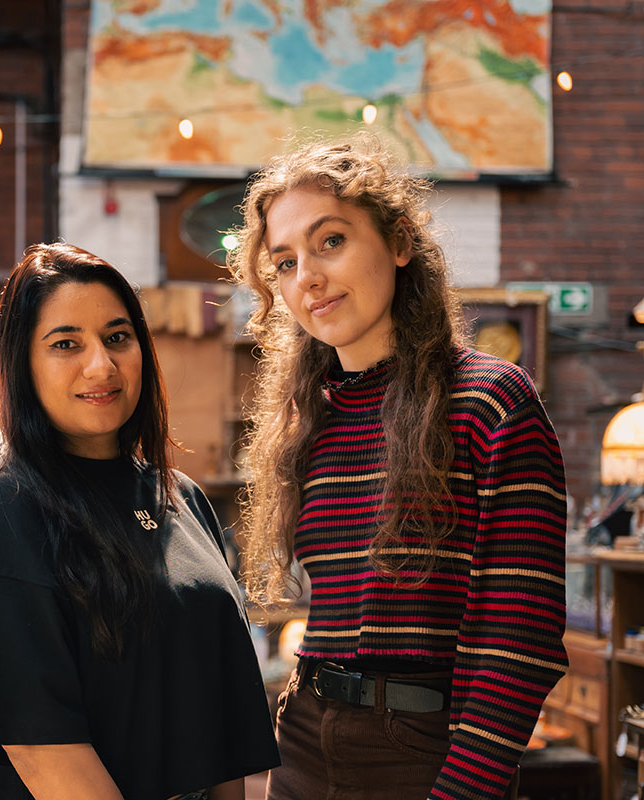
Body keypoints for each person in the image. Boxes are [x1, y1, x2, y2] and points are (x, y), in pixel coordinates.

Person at [228, 134, 568, 800]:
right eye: (285, 262)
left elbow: (519, 638)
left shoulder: (490, 401)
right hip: (303, 740)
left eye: (331, 241)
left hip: (422, 752)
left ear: (400, 242)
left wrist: (464, 788)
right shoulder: (310, 419)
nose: (308, 278)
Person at [0, 242, 280, 800]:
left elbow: (225, 721)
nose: (101, 365)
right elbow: (40, 747)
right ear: (22, 365)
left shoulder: (182, 497)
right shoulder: (8, 511)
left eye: (117, 338)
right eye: (66, 344)